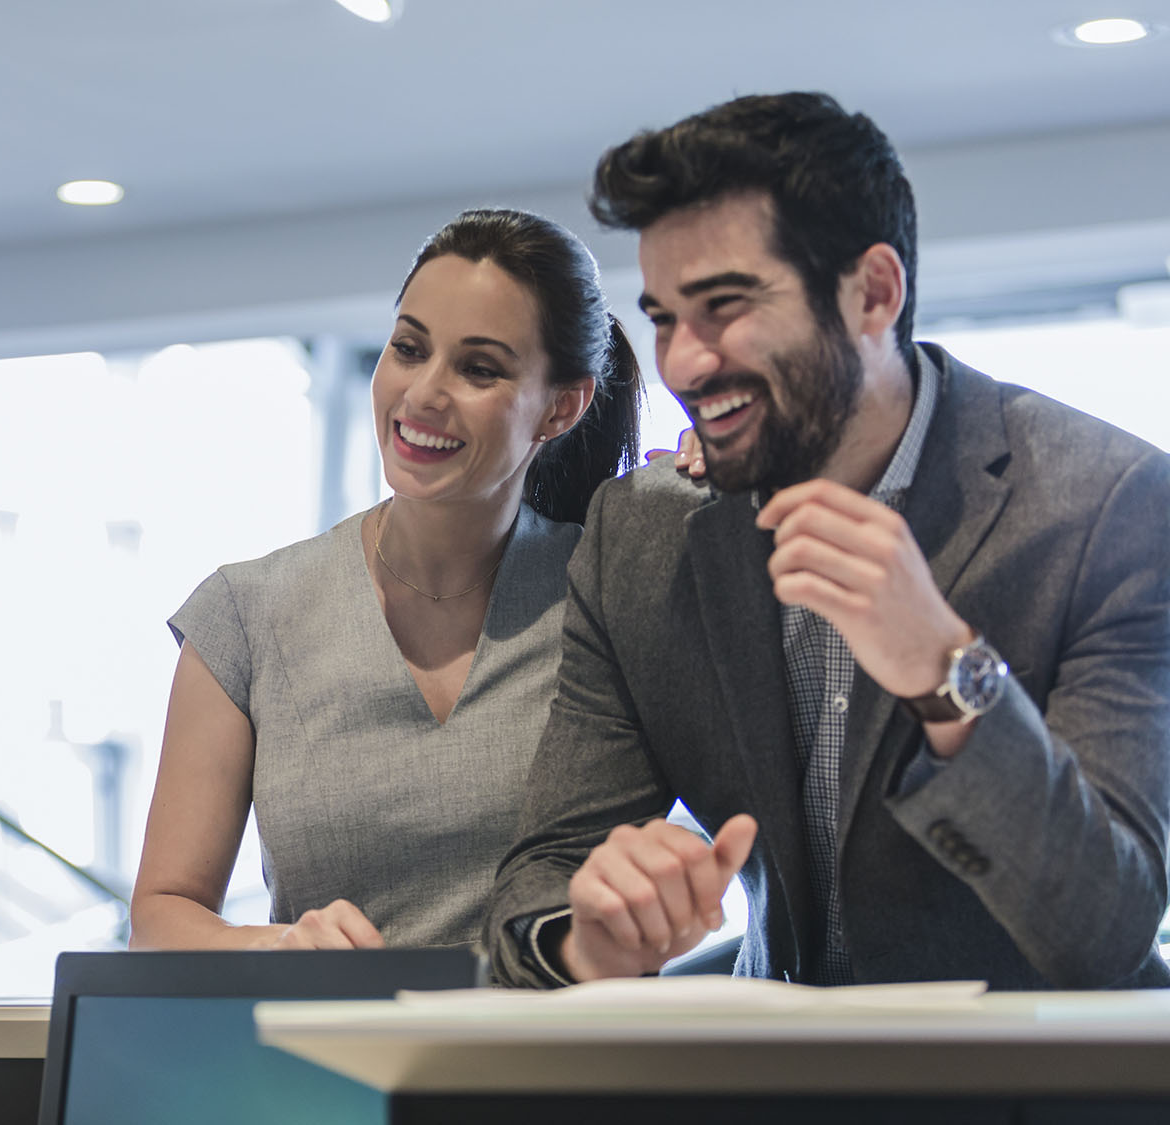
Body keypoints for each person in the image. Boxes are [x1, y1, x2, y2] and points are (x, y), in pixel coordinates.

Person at [485, 92, 1170, 989]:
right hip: (774, 1077)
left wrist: (947, 673)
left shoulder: (1107, 503)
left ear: (873, 293)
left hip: (1036, 1084)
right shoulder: (639, 536)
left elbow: (1104, 927)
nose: (684, 362)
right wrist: (590, 942)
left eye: (724, 304)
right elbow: (538, 886)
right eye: (661, 317)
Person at [130, 209, 644, 950]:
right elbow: (159, 917)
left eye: (479, 368)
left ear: (562, 406)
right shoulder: (247, 613)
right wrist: (277, 948)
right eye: (408, 348)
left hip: (556, 1058)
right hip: (329, 1060)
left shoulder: (609, 593)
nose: (425, 392)